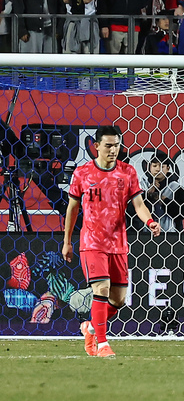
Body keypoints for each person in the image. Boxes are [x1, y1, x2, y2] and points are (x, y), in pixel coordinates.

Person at [60, 125, 160, 358]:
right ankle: (103, 344)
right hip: (91, 242)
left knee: (119, 300)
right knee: (101, 288)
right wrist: (67, 241)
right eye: (108, 145)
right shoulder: (82, 173)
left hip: (118, 243)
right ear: (96, 146)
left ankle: (91, 327)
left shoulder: (128, 173)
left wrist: (150, 222)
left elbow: (139, 205)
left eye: (116, 145)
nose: (113, 150)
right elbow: (72, 209)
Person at [141, 151, 184, 233]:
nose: (157, 169)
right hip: (145, 234)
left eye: (161, 166)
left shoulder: (175, 187)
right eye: (154, 166)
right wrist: (147, 195)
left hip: (170, 234)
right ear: (149, 167)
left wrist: (164, 200)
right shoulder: (142, 185)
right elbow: (132, 209)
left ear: (168, 168)